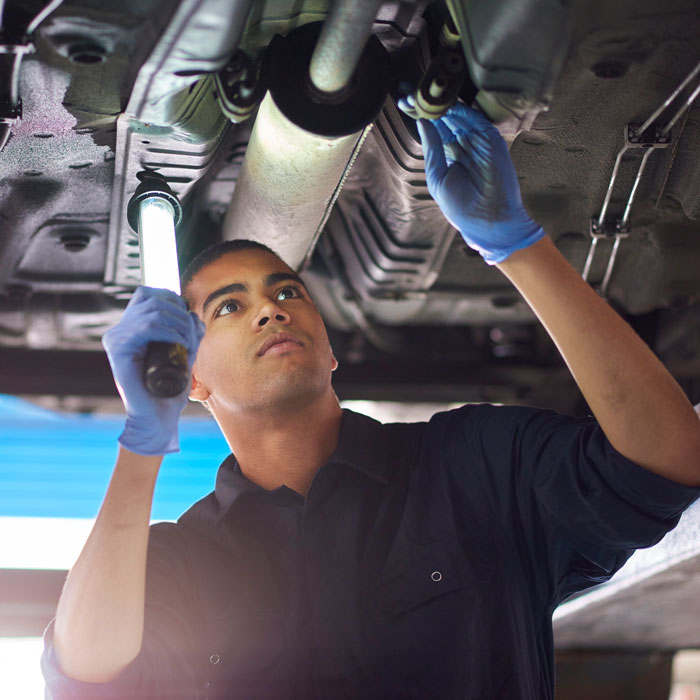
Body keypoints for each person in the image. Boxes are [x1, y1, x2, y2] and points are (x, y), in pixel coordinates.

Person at [41, 102, 700, 700]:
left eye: (286, 292)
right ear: (193, 380)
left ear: (329, 350)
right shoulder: (187, 563)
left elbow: (665, 462)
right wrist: (141, 441)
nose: (269, 309)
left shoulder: (473, 467)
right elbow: (85, 680)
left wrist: (521, 249)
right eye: (230, 307)